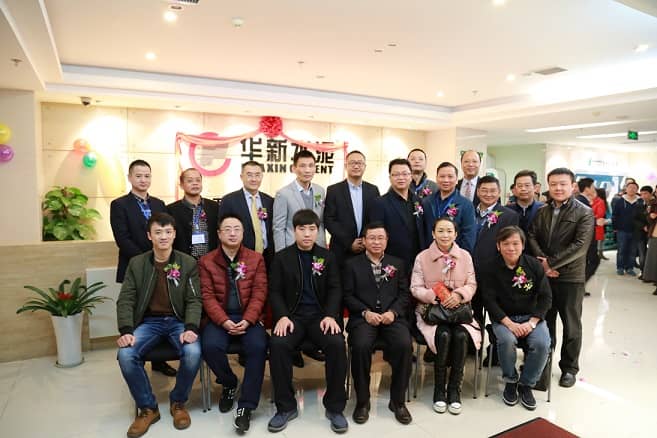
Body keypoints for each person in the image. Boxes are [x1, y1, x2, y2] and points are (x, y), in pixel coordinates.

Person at [116, 212, 202, 438]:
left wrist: (191, 327)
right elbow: (126, 299)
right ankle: (148, 408)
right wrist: (126, 330)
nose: (163, 236)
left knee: (193, 352)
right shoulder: (137, 264)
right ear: (149, 236)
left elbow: (194, 300)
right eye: (158, 232)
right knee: (125, 355)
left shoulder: (187, 262)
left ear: (174, 234)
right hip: (149, 322)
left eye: (168, 232)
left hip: (178, 321)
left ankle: (178, 402)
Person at [267, 210, 348, 433]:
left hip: (320, 318)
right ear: (294, 231)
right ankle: (286, 407)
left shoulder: (327, 257)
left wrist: (330, 315)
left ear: (318, 231)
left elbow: (335, 289)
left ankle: (335, 408)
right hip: (292, 318)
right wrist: (282, 316)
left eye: (312, 229)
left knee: (336, 343)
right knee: (278, 344)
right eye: (302, 229)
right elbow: (275, 292)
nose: (307, 234)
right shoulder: (282, 258)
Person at [198, 214, 268, 433]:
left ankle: (246, 407)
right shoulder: (206, 261)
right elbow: (207, 296)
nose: (232, 233)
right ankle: (229, 382)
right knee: (209, 346)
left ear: (243, 233)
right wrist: (224, 321)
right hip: (220, 318)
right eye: (227, 229)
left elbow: (260, 292)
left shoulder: (256, 259)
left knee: (258, 346)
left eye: (237, 229)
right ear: (219, 234)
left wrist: (248, 319)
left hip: (248, 317)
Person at [527, 167, 594, 388]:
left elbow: (580, 246)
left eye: (563, 184)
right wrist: (543, 264)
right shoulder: (542, 211)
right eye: (553, 184)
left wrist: (550, 263)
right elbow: (531, 235)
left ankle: (569, 369)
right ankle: (543, 365)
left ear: (572, 186)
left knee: (571, 325)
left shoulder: (584, 212)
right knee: (545, 323)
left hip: (570, 277)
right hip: (545, 277)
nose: (558, 188)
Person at [343, 222, 413, 425]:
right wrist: (365, 312)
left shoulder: (397, 263)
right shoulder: (351, 265)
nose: (376, 242)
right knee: (360, 346)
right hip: (363, 318)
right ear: (364, 241)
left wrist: (393, 312)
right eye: (372, 238)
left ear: (387, 240)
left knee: (404, 344)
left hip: (391, 317)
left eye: (380, 238)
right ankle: (362, 402)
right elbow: (347, 296)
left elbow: (404, 294)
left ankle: (398, 401)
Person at [111, 159, 175, 377]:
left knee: (160, 309)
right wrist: (146, 261)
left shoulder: (159, 204)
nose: (143, 180)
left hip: (163, 266)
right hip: (135, 266)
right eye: (138, 176)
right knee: (140, 312)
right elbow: (122, 239)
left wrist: (161, 260)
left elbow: (166, 233)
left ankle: (159, 361)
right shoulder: (119, 205)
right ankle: (138, 353)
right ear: (130, 177)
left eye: (147, 176)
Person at [410, 217, 480, 415]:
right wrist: (433, 295)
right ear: (433, 234)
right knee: (443, 335)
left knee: (460, 335)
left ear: (456, 234)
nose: (445, 235)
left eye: (449, 231)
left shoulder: (465, 256)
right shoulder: (422, 257)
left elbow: (472, 284)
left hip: (459, 311)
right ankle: (439, 389)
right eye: (440, 231)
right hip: (432, 312)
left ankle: (454, 389)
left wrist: (459, 295)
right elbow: (415, 287)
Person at [480, 226, 552, 411]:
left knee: (542, 343)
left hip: (532, 318)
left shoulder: (533, 265)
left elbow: (546, 297)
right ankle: (511, 381)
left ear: (523, 245)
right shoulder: (489, 267)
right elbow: (489, 301)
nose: (511, 248)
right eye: (506, 244)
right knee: (506, 341)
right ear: (498, 246)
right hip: (504, 319)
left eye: (515, 243)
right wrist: (509, 324)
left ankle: (526, 384)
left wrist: (532, 322)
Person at [324, 150, 380, 268]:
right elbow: (329, 220)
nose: (356, 166)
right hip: (341, 249)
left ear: (364, 166)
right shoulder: (333, 190)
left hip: (366, 249)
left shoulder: (373, 190)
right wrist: (349, 242)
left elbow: (375, 219)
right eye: (352, 163)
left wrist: (365, 240)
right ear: (346, 166)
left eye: (359, 163)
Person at [369, 158, 425, 273]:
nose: (401, 178)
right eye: (396, 174)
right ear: (390, 177)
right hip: (391, 262)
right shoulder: (379, 203)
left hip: (417, 261)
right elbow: (377, 235)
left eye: (405, 174)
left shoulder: (418, 201)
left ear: (411, 176)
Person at [218, 161, 274, 267]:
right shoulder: (229, 200)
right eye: (249, 175)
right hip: (240, 257)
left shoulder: (269, 201)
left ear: (262, 177)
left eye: (257, 175)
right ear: (241, 177)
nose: (253, 179)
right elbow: (222, 230)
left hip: (267, 257)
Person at [273, 150, 326, 252]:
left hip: (317, 247)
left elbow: (321, 222)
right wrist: (281, 254)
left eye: (311, 166)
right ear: (294, 168)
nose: (307, 170)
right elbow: (279, 228)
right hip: (293, 248)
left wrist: (322, 246)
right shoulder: (283, 194)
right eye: (302, 166)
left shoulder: (320, 191)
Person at [421, 162, 476, 253]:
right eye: (442, 176)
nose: (446, 180)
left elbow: (469, 235)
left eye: (450, 177)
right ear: (436, 178)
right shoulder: (427, 202)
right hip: (429, 254)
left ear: (457, 180)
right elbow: (422, 232)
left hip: (455, 256)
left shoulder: (466, 204)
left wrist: (459, 257)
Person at [167, 168, 219, 260]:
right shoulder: (171, 210)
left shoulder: (214, 207)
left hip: (211, 261)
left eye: (198, 180)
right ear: (181, 185)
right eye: (190, 181)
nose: (195, 183)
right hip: (183, 261)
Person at [576, 178, 601, 295]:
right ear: (587, 189)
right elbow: (582, 221)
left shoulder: (581, 200)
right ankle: (579, 286)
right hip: (586, 240)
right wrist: (596, 221)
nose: (594, 189)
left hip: (585, 239)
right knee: (593, 261)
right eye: (593, 187)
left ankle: (580, 286)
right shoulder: (581, 202)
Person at [612, 180, 642, 276]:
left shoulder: (640, 201)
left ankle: (630, 268)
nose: (632, 189)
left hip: (635, 231)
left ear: (637, 190)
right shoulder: (620, 201)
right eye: (630, 187)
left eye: (634, 188)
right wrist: (615, 227)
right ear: (626, 189)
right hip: (622, 230)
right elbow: (615, 215)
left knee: (632, 251)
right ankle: (620, 267)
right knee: (621, 250)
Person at [508, 170, 544, 235]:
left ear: (535, 188)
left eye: (527, 185)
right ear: (515, 188)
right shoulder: (507, 210)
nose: (523, 189)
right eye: (519, 186)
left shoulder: (543, 209)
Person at [635, 186, 654, 275]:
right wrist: (643, 226)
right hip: (640, 233)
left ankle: (651, 273)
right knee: (642, 253)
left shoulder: (654, 203)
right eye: (641, 194)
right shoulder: (638, 203)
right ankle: (643, 272)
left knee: (652, 254)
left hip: (653, 233)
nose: (643, 196)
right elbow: (634, 219)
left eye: (645, 193)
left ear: (651, 193)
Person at [640, 198, 657, 295]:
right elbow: (648, 218)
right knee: (653, 260)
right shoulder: (653, 203)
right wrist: (650, 216)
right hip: (655, 234)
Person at [593, 187, 609, 260]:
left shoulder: (603, 202)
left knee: (601, 239)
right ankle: (598, 254)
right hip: (598, 223)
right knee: (599, 240)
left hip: (602, 223)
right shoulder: (598, 202)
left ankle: (600, 253)